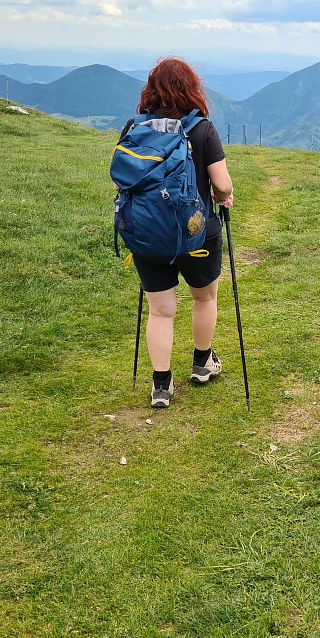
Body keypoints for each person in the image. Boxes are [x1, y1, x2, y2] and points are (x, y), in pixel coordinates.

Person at [119, 58, 234, 409]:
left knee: (160, 312)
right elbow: (222, 184)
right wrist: (223, 195)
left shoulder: (134, 128)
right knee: (204, 298)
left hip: (148, 238)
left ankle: (161, 385)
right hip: (198, 235)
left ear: (151, 89)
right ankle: (202, 363)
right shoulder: (202, 130)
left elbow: (120, 180)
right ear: (191, 89)